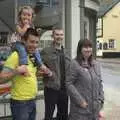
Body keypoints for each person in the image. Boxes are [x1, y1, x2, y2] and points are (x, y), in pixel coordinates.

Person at [0, 28, 51, 120]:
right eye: (31, 42)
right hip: (20, 103)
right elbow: (1, 79)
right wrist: (16, 71)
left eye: (36, 42)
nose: (34, 45)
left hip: (32, 100)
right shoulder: (16, 56)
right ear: (23, 41)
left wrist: (39, 73)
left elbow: (28, 75)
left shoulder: (32, 56)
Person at [66, 39, 104, 120]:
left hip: (94, 110)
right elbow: (69, 84)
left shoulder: (96, 64)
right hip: (81, 110)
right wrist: (80, 101)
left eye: (90, 47)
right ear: (80, 49)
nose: (88, 49)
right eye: (85, 47)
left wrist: (101, 100)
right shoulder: (74, 64)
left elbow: (100, 83)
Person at [41, 27, 70, 120]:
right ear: (52, 36)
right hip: (51, 89)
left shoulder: (66, 52)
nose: (59, 37)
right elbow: (38, 66)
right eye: (57, 34)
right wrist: (46, 73)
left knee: (63, 115)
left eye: (61, 34)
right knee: (49, 115)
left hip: (64, 89)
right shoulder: (46, 51)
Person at [10, 6, 46, 71]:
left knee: (36, 50)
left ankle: (39, 64)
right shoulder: (18, 25)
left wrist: (36, 32)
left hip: (25, 43)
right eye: (24, 15)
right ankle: (23, 65)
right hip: (16, 43)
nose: (26, 17)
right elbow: (22, 34)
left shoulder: (31, 26)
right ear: (20, 16)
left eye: (29, 15)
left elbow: (32, 36)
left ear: (32, 17)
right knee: (22, 49)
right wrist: (26, 26)